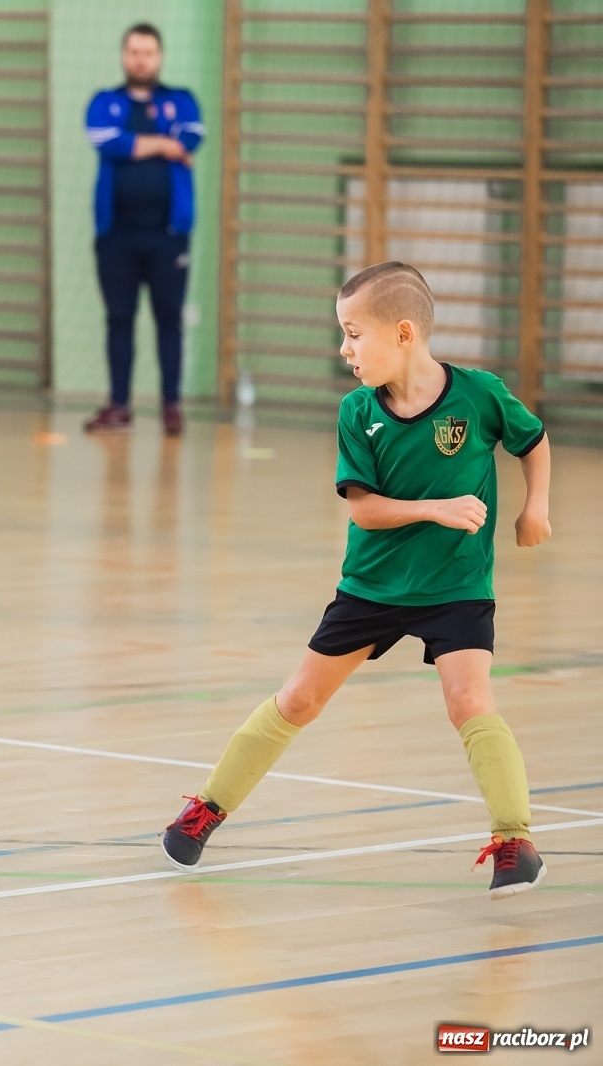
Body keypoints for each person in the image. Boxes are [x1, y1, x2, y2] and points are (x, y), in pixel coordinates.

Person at [159, 262, 552, 900]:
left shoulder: (480, 395)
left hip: (456, 587)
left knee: (469, 702)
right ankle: (206, 809)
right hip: (370, 587)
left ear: (402, 333)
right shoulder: (357, 411)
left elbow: (532, 442)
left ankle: (515, 843)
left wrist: (534, 506)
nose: (344, 349)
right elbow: (364, 509)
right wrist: (436, 508)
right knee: (298, 701)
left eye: (352, 334)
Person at [83, 24, 204, 437]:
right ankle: (119, 404)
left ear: (159, 57)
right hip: (116, 234)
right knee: (119, 318)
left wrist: (142, 142)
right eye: (133, 51)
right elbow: (105, 139)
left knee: (169, 319)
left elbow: (191, 136)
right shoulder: (105, 102)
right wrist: (164, 145)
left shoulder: (181, 100)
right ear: (123, 56)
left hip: (169, 235)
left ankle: (171, 404)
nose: (140, 59)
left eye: (148, 52)